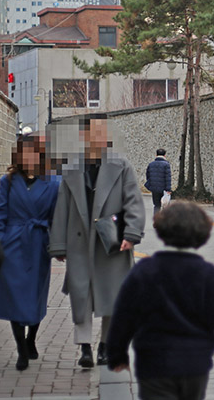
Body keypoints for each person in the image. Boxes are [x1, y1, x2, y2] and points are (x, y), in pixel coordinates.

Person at [106, 201, 214, 400]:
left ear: (161, 231)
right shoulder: (206, 274)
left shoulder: (144, 271)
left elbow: (124, 315)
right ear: (201, 235)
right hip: (194, 362)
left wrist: (117, 353)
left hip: (153, 361)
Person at [49, 114, 146, 369]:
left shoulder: (121, 165)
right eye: (93, 133)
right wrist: (59, 244)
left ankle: (105, 346)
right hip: (79, 241)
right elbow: (62, 208)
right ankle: (84, 348)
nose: (99, 137)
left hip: (111, 242)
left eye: (102, 132)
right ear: (84, 136)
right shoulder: (71, 168)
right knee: (81, 296)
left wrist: (131, 234)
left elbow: (133, 202)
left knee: (112, 296)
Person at [0, 134, 60, 371]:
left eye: (33, 153)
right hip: (12, 245)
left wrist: (58, 245)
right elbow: (0, 214)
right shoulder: (8, 182)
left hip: (39, 244)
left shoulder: (52, 183)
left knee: (35, 295)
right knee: (15, 295)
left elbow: (56, 218)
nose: (28, 158)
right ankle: (21, 350)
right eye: (23, 153)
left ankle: (31, 338)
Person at [144, 148, 172, 217]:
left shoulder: (151, 164)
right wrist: (168, 189)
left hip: (154, 188)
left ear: (156, 155)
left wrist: (150, 184)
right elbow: (168, 178)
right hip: (164, 189)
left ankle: (155, 220)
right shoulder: (166, 165)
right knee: (165, 205)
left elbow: (148, 175)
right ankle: (165, 221)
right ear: (164, 155)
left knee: (156, 205)